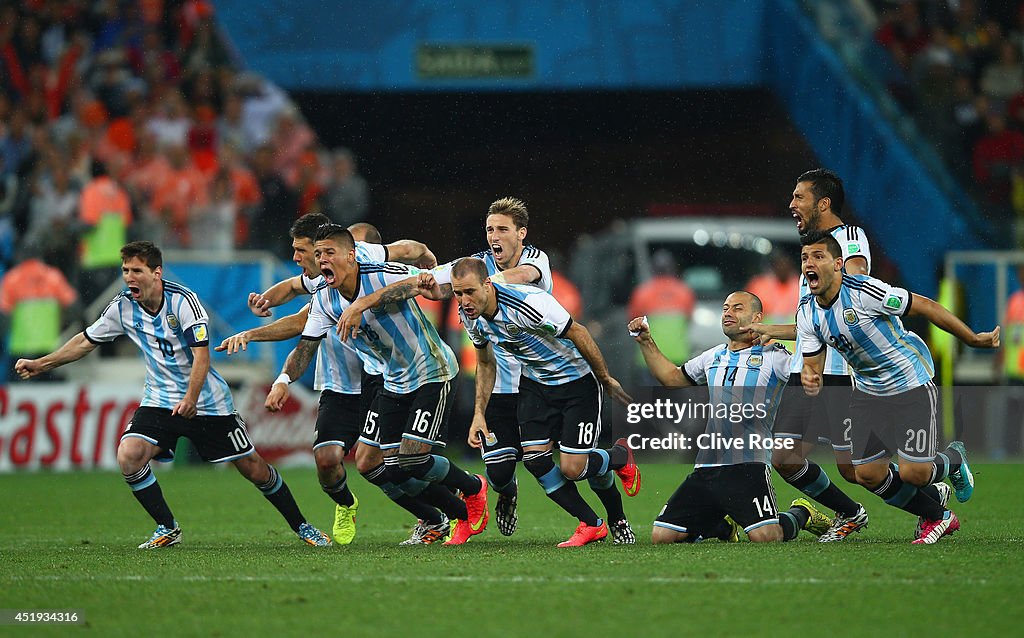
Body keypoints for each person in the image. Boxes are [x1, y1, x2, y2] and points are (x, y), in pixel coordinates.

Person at [14, 241, 330, 548]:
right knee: (129, 455)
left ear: (157, 273)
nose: (129, 277)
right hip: (160, 399)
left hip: (207, 401)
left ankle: (302, 526)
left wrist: (191, 398)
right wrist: (42, 363)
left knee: (254, 468)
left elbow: (202, 357)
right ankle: (167, 527)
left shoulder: (184, 302)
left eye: (136, 270)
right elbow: (85, 341)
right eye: (125, 270)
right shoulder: (122, 307)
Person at [217, 213, 444, 545]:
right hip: (339, 383)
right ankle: (348, 504)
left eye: (300, 251)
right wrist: (266, 301)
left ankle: (440, 509)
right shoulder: (320, 279)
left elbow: (406, 253)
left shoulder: (365, 261)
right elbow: (297, 301)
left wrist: (428, 259)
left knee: (383, 463)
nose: (296, 258)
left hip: (378, 378)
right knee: (328, 461)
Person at [271, 225, 489, 546]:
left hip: (431, 370)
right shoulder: (324, 300)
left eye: (329, 252)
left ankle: (473, 488)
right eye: (318, 254)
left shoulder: (379, 272)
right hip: (393, 380)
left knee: (412, 459)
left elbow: (425, 279)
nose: (322, 259)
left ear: (351, 254)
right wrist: (283, 380)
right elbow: (306, 347)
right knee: (385, 467)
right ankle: (454, 513)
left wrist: (362, 304)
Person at [796, 230, 1000, 544]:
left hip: (910, 383)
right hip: (867, 393)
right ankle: (938, 515)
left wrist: (972, 338)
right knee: (867, 474)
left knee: (913, 473)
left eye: (818, 256)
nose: (810, 263)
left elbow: (926, 307)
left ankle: (954, 461)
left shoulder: (866, 292)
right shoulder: (808, 313)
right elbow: (813, 365)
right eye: (805, 258)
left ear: (838, 264)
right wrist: (811, 378)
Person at [449, 257, 641, 546]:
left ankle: (618, 459)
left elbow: (578, 331)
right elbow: (486, 363)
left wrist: (604, 378)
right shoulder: (470, 316)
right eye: (457, 293)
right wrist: (479, 413)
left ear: (487, 284)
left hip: (577, 384)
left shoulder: (528, 303)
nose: (464, 301)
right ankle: (591, 524)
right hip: (535, 385)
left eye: (469, 292)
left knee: (573, 469)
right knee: (535, 460)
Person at [631, 292, 830, 544]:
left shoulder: (775, 357)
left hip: (749, 466)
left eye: (737, 308)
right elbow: (672, 378)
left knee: (766, 537)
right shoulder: (713, 356)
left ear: (757, 317)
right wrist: (646, 341)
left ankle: (801, 513)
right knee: (662, 536)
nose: (728, 313)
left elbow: (813, 351)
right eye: (725, 308)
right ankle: (724, 527)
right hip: (707, 466)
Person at [745, 169, 872, 542]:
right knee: (784, 457)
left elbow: (854, 288)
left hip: (838, 371)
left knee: (856, 470)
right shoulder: (812, 254)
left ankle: (934, 493)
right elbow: (812, 321)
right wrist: (772, 331)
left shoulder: (848, 238)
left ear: (824, 203)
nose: (792, 205)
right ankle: (850, 512)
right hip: (807, 369)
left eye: (799, 197)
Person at [429, 197, 556, 536]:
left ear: (521, 234)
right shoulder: (477, 265)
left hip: (540, 382)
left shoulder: (535, 259)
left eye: (502, 229)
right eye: (489, 229)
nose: (494, 236)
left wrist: (480, 285)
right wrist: (422, 283)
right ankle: (507, 492)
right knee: (499, 473)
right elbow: (436, 279)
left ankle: (609, 492)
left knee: (565, 464)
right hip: (498, 384)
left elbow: (521, 276)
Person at [626, 249, 695, 366]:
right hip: (678, 356)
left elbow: (633, 322)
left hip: (649, 358)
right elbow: (689, 319)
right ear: (673, 268)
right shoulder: (684, 291)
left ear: (653, 269)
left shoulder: (643, 292)